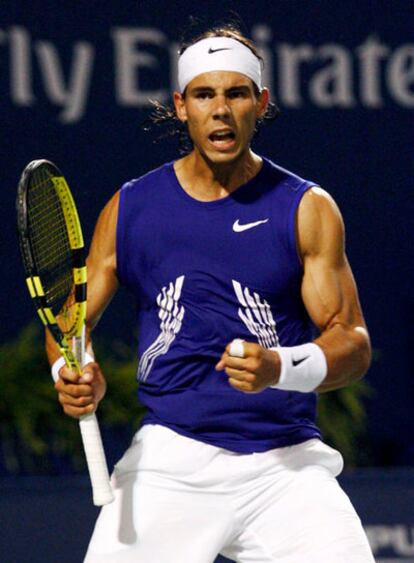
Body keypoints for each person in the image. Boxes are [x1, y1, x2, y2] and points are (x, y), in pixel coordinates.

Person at [46, 24, 375, 563]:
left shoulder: (306, 207)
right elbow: (68, 323)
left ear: (260, 103)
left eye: (236, 93)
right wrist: (71, 372)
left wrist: (280, 368)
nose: (220, 110)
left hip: (285, 467)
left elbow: (353, 343)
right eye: (204, 94)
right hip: (169, 461)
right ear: (181, 106)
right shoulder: (132, 208)